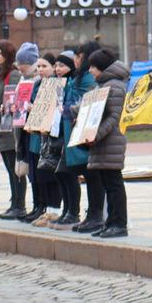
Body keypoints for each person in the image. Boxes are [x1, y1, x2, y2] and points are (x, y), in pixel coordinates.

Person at [52, 43, 99, 229]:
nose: (75, 60)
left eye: (78, 56)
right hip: (70, 133)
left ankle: (83, 214)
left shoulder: (86, 79)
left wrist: (62, 110)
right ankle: (71, 211)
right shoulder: (76, 78)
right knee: (64, 172)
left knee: (90, 177)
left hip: (82, 134)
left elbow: (81, 104)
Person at [84, 48, 129, 237]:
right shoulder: (102, 85)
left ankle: (119, 224)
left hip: (110, 142)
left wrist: (96, 135)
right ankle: (110, 221)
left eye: (93, 67)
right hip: (101, 142)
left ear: (101, 67)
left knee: (114, 183)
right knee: (107, 183)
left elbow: (114, 118)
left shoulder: (115, 86)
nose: (90, 71)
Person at [22, 52, 63, 222]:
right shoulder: (37, 84)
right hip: (34, 136)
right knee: (36, 175)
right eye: (38, 66)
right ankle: (39, 206)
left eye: (44, 66)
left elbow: (55, 109)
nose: (40, 69)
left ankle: (50, 208)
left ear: (53, 67)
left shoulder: (56, 84)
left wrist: (36, 108)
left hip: (46, 137)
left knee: (48, 175)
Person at [0, 42, 29, 220]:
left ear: (7, 55)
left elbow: (15, 99)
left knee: (16, 170)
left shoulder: (12, 75)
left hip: (10, 130)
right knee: (10, 169)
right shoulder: (1, 75)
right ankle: (14, 203)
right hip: (2, 130)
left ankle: (19, 205)